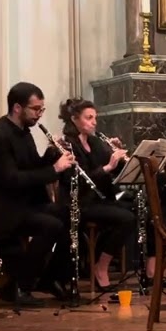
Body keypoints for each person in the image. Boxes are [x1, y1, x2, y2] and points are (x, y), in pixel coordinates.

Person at [0, 82, 75, 307]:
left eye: (42, 109)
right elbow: (11, 180)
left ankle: (50, 278)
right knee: (51, 226)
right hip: (2, 209)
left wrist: (52, 154)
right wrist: (54, 170)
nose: (39, 114)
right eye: (36, 109)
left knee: (72, 216)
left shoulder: (24, 133)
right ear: (18, 108)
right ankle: (20, 284)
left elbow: (32, 167)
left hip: (24, 204)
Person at [58, 98, 136, 294]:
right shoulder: (68, 144)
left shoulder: (94, 141)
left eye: (95, 118)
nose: (94, 122)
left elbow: (109, 173)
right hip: (80, 202)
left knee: (134, 210)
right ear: (74, 119)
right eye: (89, 118)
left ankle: (99, 260)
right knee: (125, 218)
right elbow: (79, 179)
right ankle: (100, 265)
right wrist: (109, 165)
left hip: (100, 199)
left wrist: (116, 155)